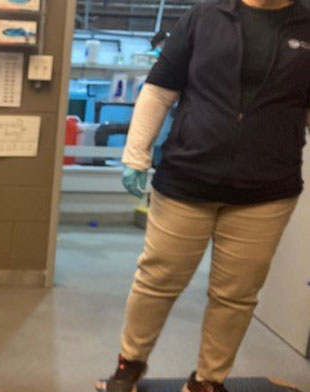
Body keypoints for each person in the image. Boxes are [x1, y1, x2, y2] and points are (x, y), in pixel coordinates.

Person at [95, 0, 310, 391]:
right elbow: (158, 91)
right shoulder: (204, 17)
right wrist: (135, 156)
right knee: (157, 279)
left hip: (266, 190)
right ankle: (130, 363)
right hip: (187, 179)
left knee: (236, 295)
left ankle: (209, 380)